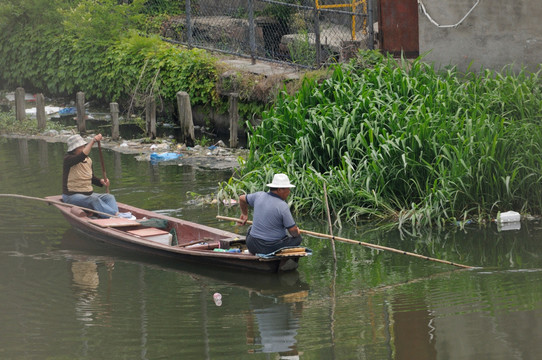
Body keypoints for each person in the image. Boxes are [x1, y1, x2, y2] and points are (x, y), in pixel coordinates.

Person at [62, 134, 127, 218]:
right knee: (94, 200)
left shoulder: (88, 160)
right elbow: (81, 156)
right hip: (71, 196)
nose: (83, 148)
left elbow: (91, 178)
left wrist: (101, 181)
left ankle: (112, 215)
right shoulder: (68, 159)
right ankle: (115, 216)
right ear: (74, 149)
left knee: (109, 197)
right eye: (81, 147)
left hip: (88, 194)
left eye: (84, 146)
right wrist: (93, 141)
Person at [238, 174, 302, 255]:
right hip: (269, 248)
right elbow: (294, 232)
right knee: (298, 239)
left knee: (250, 228)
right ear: (279, 190)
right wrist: (297, 231)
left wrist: (244, 214)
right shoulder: (283, 206)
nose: (289, 192)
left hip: (252, 245)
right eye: (288, 189)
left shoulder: (258, 195)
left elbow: (241, 198)